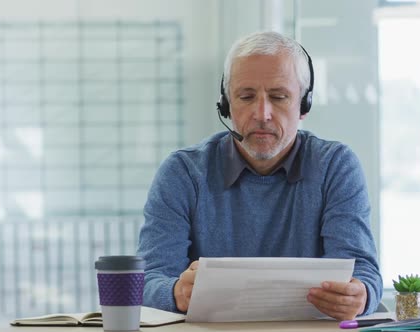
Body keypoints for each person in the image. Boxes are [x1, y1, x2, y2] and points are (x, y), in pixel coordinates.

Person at [137, 31, 382, 320]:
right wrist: (176, 291)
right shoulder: (182, 173)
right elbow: (147, 280)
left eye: (279, 97)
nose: (262, 113)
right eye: (246, 96)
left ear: (304, 105)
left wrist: (360, 294)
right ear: (226, 105)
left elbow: (362, 272)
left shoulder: (335, 167)